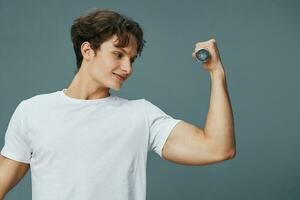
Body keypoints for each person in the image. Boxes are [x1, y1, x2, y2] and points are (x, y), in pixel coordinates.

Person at [0, 8, 236, 200]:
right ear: (88, 50)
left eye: (132, 59)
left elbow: (217, 148)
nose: (128, 68)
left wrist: (216, 72)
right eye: (118, 54)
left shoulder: (140, 115)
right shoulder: (32, 111)